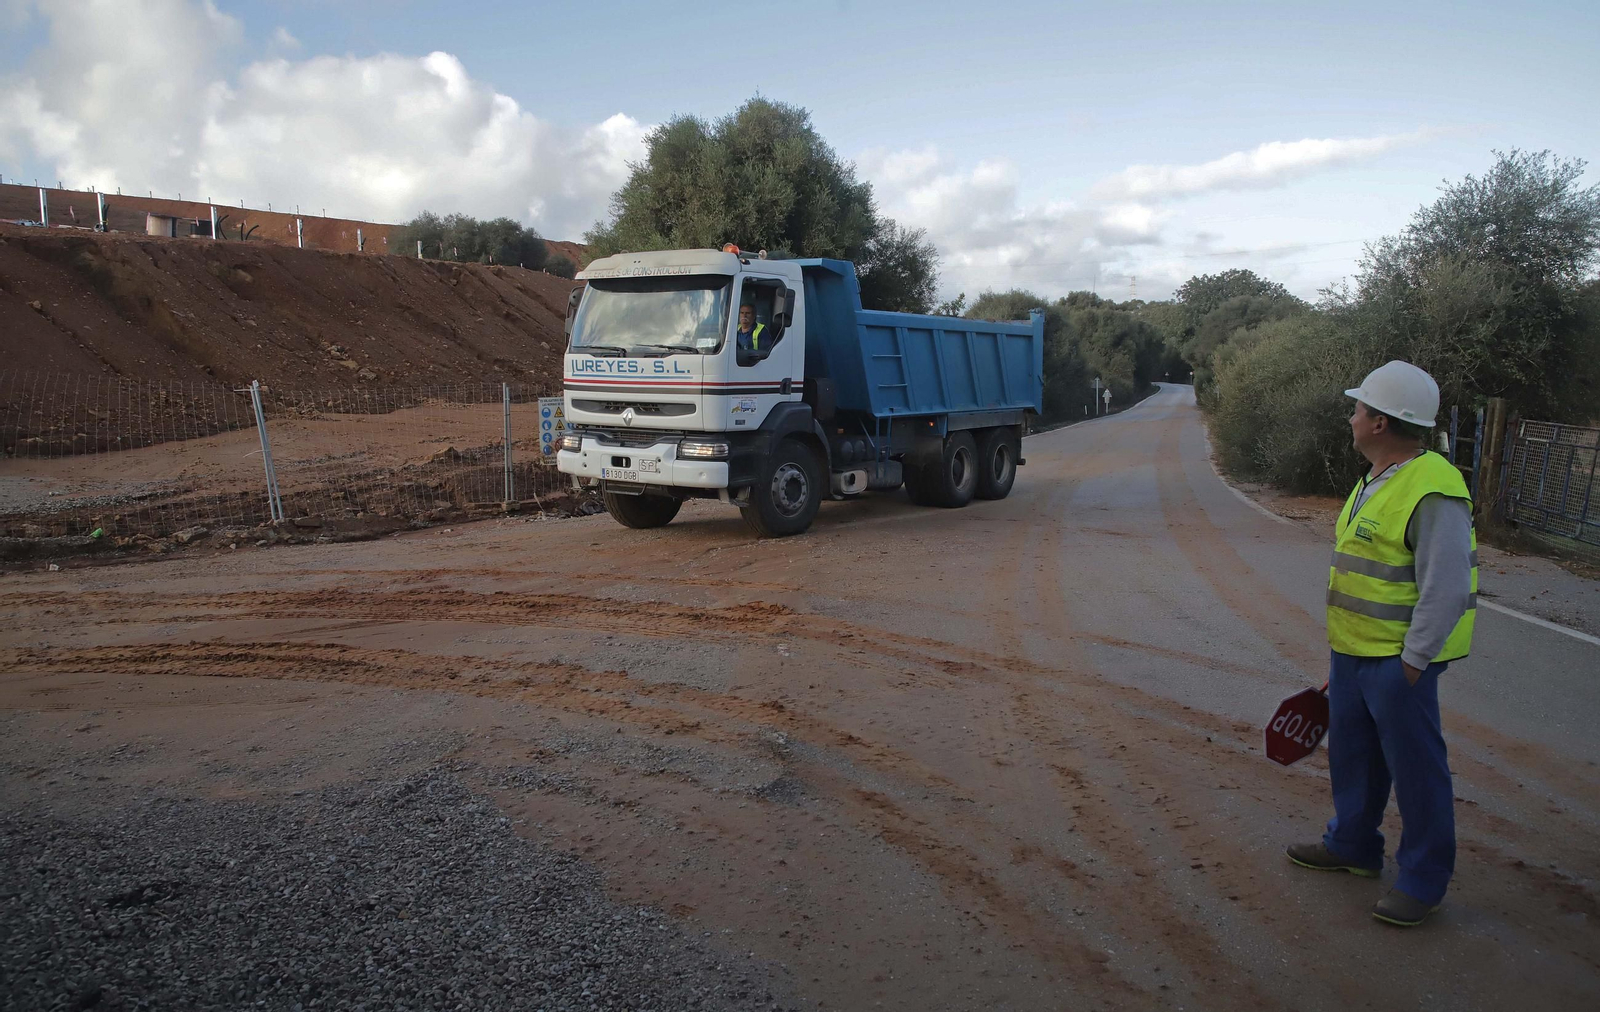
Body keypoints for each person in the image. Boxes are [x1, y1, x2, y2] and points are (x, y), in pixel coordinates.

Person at [1286, 360, 1478, 928]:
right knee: (1353, 759)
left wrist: (1412, 663)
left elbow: (1446, 589)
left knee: (1417, 773)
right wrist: (1344, 658)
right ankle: (1352, 845)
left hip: (1398, 662)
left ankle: (1422, 881)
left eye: (1358, 409)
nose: (1350, 418)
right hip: (1353, 654)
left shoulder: (1434, 488)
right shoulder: (1377, 477)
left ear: (1379, 422)